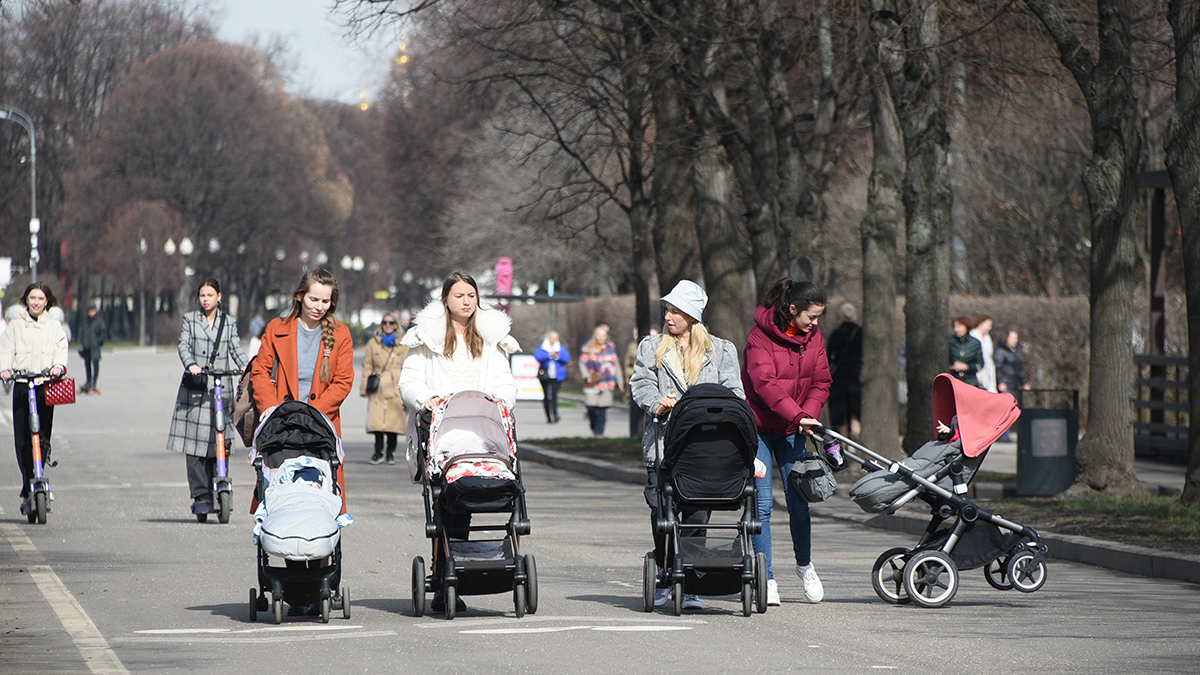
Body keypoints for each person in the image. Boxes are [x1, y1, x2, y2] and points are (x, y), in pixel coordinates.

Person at [398, 270, 519, 613]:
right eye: (459, 296)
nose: (466, 302)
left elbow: (505, 382)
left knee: (467, 503)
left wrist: (500, 401)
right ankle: (444, 576)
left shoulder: (490, 339)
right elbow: (409, 381)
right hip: (442, 435)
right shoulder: (427, 340)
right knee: (447, 507)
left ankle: (463, 569)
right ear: (445, 301)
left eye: (471, 295)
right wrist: (426, 399)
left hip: (482, 436)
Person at [631, 280, 743, 611]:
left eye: (676, 311)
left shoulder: (722, 351)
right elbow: (640, 383)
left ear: (692, 316)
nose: (668, 316)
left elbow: (735, 394)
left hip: (704, 449)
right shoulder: (651, 347)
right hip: (663, 446)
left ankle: (690, 583)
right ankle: (668, 571)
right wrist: (657, 402)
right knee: (661, 514)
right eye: (667, 309)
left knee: (696, 516)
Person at [742, 278, 832, 607]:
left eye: (819, 317)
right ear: (792, 310)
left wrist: (806, 415)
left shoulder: (814, 337)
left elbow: (822, 380)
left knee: (799, 501)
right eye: (811, 316)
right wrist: (797, 415)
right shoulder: (759, 338)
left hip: (796, 428)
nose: (815, 323)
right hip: (762, 428)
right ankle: (766, 576)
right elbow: (764, 384)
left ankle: (805, 565)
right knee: (762, 506)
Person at [251, 268, 355, 510]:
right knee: (279, 490)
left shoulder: (341, 334)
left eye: (326, 301)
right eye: (314, 299)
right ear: (299, 296)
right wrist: (270, 409)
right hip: (282, 424)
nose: (320, 306)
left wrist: (312, 415)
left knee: (322, 491)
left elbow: (343, 382)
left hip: (320, 424)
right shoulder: (277, 328)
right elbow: (260, 372)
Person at [167, 279, 249, 517]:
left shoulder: (228, 323)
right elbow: (183, 345)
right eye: (202, 295)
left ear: (219, 297)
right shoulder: (191, 320)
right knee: (195, 445)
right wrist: (191, 363)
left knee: (219, 443)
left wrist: (245, 365)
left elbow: (235, 348)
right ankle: (201, 495)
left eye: (210, 295)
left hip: (220, 390)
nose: (205, 299)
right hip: (197, 389)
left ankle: (218, 485)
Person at [0, 283, 69, 514]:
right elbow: (6, 350)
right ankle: (28, 480)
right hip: (22, 385)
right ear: (26, 300)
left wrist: (58, 366)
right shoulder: (16, 326)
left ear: (47, 301)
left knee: (42, 435)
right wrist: (5, 369)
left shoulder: (54, 326)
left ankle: (39, 474)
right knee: (23, 439)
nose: (36, 302)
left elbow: (61, 349)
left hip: (44, 385)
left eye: (40, 298)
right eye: (32, 298)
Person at [361, 311, 409, 465]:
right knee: (377, 422)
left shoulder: (404, 344)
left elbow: (409, 367)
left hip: (396, 385)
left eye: (391, 323)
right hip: (378, 385)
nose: (387, 326)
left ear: (396, 325)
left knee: (393, 423)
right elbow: (367, 365)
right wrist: (364, 387)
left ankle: (390, 452)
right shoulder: (374, 342)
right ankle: (378, 451)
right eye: (385, 322)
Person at [824, 302, 862, 439]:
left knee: (839, 409)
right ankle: (855, 429)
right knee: (855, 406)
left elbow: (829, 356)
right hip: (856, 375)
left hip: (839, 376)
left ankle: (841, 436)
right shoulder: (860, 333)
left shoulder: (836, 334)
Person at [579, 322, 624, 437]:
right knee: (591, 407)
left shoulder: (610, 348)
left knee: (603, 410)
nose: (601, 338)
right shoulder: (587, 347)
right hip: (592, 383)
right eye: (599, 335)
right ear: (595, 335)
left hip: (606, 382)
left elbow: (616, 365)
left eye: (603, 335)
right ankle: (594, 426)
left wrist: (620, 381)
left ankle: (599, 433)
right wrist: (586, 376)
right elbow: (582, 363)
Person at [994, 330, 1030, 441]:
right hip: (1006, 383)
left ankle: (1007, 433)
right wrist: (1001, 381)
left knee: (1013, 410)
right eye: (1013, 338)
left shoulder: (1016, 352)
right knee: (1005, 410)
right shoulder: (1000, 351)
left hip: (1014, 384)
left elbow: (1019, 370)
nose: (1016, 340)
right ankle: (1003, 434)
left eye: (1016, 338)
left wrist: (1024, 382)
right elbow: (998, 367)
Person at [534, 330, 569, 424]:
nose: (553, 340)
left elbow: (567, 358)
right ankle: (549, 416)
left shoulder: (560, 348)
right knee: (546, 396)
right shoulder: (543, 347)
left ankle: (555, 414)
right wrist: (548, 354)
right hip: (544, 375)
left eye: (555, 338)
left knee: (553, 395)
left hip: (557, 376)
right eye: (552, 338)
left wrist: (558, 355)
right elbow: (537, 356)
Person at [949, 316, 984, 387]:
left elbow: (980, 364)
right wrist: (952, 367)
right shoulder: (950, 341)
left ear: (966, 327)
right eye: (955, 326)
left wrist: (967, 367)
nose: (956, 329)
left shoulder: (975, 343)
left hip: (970, 382)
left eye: (959, 326)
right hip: (953, 382)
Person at [79, 305, 107, 395]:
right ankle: (88, 381)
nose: (91, 313)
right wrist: (83, 341)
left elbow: (103, 334)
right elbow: (82, 332)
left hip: (95, 348)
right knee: (87, 366)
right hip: (87, 348)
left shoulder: (99, 321)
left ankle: (94, 383)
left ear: (95, 311)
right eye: (90, 311)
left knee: (95, 365)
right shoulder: (86, 322)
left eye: (92, 311)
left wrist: (98, 342)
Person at [970, 315, 997, 392]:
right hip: (978, 369)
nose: (989, 328)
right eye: (988, 325)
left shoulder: (988, 337)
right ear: (981, 323)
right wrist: (978, 374)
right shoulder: (973, 335)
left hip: (989, 368)